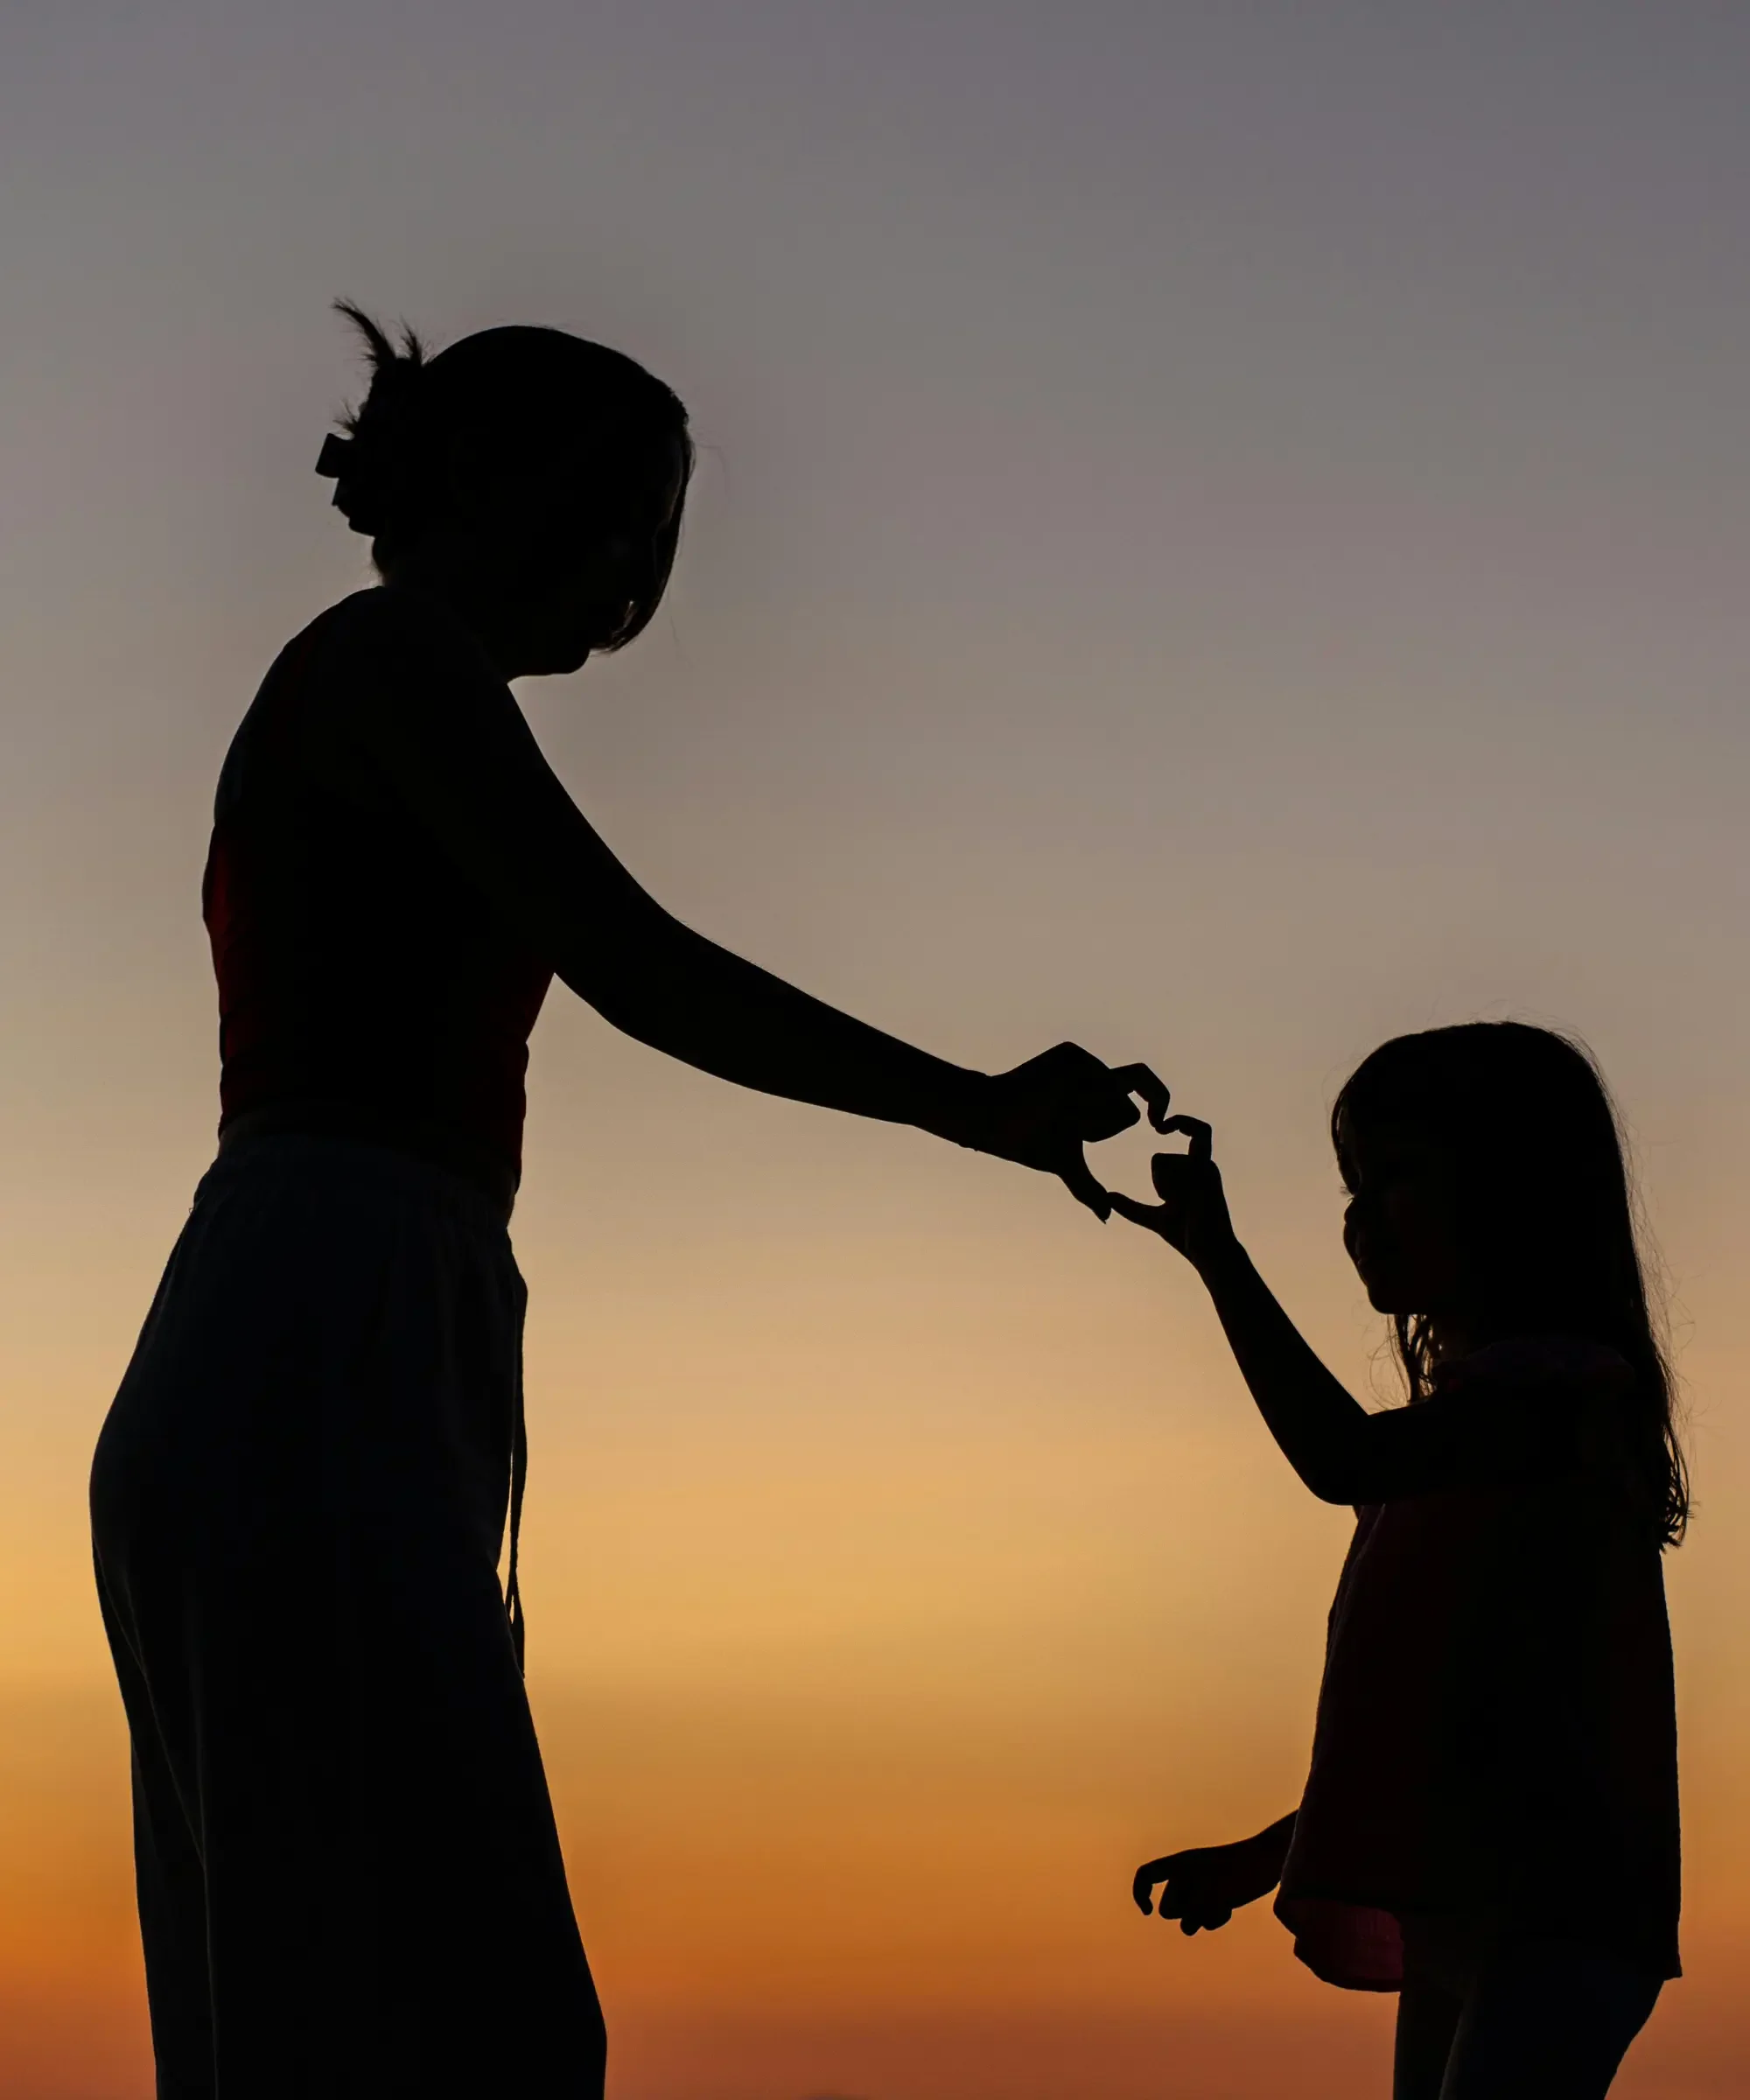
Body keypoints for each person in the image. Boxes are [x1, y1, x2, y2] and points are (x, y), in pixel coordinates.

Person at [89, 304, 1170, 2100]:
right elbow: (639, 966)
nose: (632, 570)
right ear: (490, 485)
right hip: (328, 1310)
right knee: (441, 2006)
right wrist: (974, 1108)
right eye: (614, 512)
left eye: (654, 532)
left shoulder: (403, 678)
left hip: (344, 1311)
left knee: (353, 1986)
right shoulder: (390, 663)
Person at [1114, 1023, 1683, 2100]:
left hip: (1557, 1915)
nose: (1357, 1218)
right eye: (1351, 1187)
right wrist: (1265, 1854)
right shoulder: (1472, 1428)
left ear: (1509, 1193)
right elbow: (1444, 1720)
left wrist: (1220, 1262)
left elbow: (1337, 1457)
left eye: (1393, 1180)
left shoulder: (1557, 1405)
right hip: (1464, 1908)